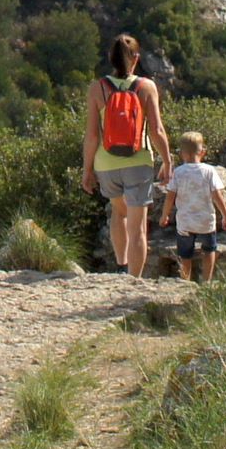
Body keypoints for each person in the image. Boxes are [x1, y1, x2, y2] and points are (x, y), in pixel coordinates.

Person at [82, 34, 171, 277]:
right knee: (138, 227)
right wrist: (168, 161)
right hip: (138, 162)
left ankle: (121, 266)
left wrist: (87, 170)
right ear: (137, 58)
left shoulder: (97, 88)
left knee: (118, 212)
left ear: (110, 58)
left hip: (106, 163)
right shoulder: (146, 87)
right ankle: (134, 279)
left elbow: (92, 136)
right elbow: (157, 130)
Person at [158, 131, 226, 283]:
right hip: (206, 221)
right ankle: (207, 281)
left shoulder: (178, 173)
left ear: (182, 154)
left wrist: (164, 215)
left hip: (185, 222)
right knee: (209, 251)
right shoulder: (209, 171)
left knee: (185, 255)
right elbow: (217, 195)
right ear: (202, 152)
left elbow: (170, 196)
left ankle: (185, 281)